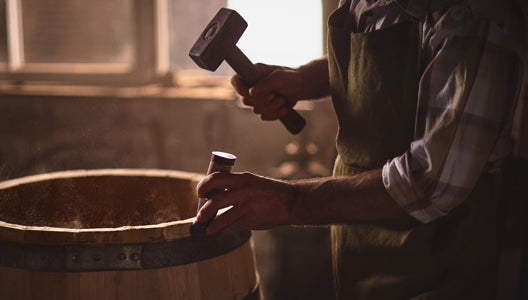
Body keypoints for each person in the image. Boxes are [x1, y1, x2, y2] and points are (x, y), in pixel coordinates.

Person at [195, 0, 527, 299]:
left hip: (440, 264)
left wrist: (291, 201)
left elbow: (430, 181)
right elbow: (391, 56)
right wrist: (303, 79)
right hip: (359, 247)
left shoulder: (471, 15)